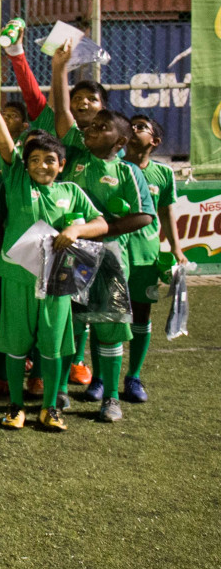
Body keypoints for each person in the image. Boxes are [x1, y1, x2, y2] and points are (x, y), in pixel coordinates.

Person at [0, 68, 107, 431]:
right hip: (18, 278)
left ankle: (51, 407)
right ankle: (16, 406)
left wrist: (76, 227)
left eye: (49, 161)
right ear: (25, 163)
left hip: (57, 281)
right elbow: (4, 141)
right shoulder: (16, 180)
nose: (41, 166)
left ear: (61, 164)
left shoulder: (71, 192)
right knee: (16, 344)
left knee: (52, 345)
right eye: (34, 160)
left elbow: (102, 224)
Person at [58, 107, 154, 422]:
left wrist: (101, 229)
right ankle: (59, 391)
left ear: (121, 141)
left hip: (109, 256)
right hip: (72, 254)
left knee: (110, 327)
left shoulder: (128, 172)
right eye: (92, 125)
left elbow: (144, 216)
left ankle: (111, 398)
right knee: (67, 325)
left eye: (103, 127)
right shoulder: (73, 161)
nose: (92, 129)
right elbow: (62, 113)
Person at [122, 114, 178, 403]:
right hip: (115, 249)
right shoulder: (113, 165)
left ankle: (134, 376)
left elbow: (167, 212)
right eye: (131, 125)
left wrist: (177, 249)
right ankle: (98, 377)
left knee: (141, 313)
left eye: (141, 128)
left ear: (154, 141)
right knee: (104, 312)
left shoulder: (163, 174)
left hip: (146, 254)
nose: (134, 130)